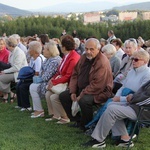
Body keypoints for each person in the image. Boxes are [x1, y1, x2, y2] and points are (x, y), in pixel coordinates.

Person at [83, 50, 150, 148]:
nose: (133, 61)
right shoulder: (132, 72)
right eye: (132, 59)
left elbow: (144, 98)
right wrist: (117, 98)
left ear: (145, 61)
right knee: (111, 105)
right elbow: (124, 87)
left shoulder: (148, 74)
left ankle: (98, 140)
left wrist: (127, 99)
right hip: (134, 104)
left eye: (136, 59)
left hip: (142, 110)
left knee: (112, 109)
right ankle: (125, 139)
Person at [59, 38, 113, 130]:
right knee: (64, 96)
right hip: (83, 89)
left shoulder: (102, 62)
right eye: (86, 49)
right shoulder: (84, 57)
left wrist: (81, 94)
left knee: (84, 100)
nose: (88, 51)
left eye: (91, 49)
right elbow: (74, 74)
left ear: (98, 49)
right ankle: (78, 120)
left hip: (99, 92)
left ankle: (87, 125)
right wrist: (72, 91)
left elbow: (97, 85)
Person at [45, 35, 80, 123]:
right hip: (62, 82)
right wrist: (52, 80)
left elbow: (68, 76)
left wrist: (54, 82)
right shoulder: (66, 56)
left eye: (61, 45)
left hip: (69, 84)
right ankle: (56, 115)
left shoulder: (73, 58)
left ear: (64, 47)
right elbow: (59, 71)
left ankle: (65, 116)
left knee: (54, 97)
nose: (60, 47)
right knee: (48, 94)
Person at [29, 41, 62, 118]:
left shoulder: (54, 61)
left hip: (52, 83)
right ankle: (38, 110)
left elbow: (46, 77)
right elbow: (41, 73)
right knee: (32, 86)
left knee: (33, 87)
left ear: (50, 50)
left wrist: (43, 73)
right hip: (47, 82)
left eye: (44, 49)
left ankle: (39, 111)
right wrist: (43, 73)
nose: (42, 51)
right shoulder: (48, 59)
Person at [16, 41, 45, 111]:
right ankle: (21, 104)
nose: (28, 50)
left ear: (34, 50)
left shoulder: (38, 58)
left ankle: (27, 106)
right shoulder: (32, 58)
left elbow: (37, 73)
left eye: (29, 48)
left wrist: (27, 76)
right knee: (19, 84)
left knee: (23, 86)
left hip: (38, 79)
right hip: (32, 77)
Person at [0, 36, 28, 102]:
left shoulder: (18, 52)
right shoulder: (12, 51)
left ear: (9, 45)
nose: (5, 45)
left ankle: (9, 93)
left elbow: (17, 67)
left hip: (20, 73)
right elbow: (10, 64)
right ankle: (10, 93)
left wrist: (4, 71)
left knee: (1, 77)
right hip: (14, 71)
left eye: (6, 44)